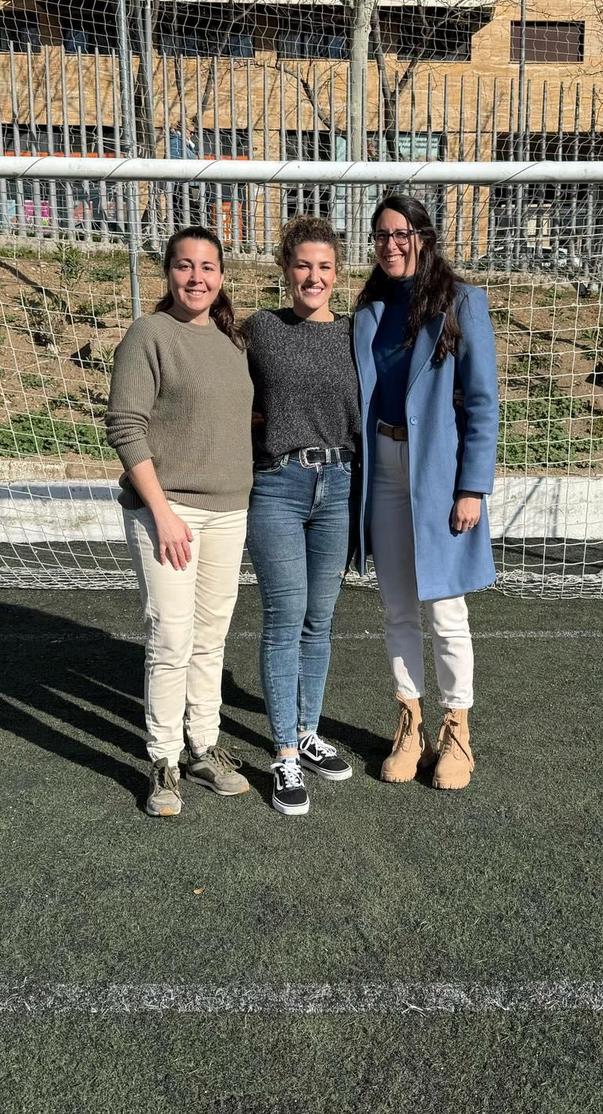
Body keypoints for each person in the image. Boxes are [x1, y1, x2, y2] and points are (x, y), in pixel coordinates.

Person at [350, 194, 500, 791]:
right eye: (381, 234)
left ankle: (456, 729)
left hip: (437, 473)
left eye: (401, 233)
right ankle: (408, 725)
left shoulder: (463, 302)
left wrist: (472, 487)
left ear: (423, 236)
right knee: (397, 607)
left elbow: (484, 405)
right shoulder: (366, 307)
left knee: (444, 607)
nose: (390, 244)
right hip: (382, 467)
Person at [106, 226, 253, 817]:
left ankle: (205, 747)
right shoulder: (149, 334)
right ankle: (163, 757)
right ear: (168, 272)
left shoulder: (232, 341)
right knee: (170, 636)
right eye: (186, 266)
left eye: (208, 267)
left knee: (210, 638)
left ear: (222, 276)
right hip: (167, 513)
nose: (197, 278)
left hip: (229, 512)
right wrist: (162, 511)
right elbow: (125, 425)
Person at [245, 216, 360, 816]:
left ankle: (310, 732)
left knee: (320, 620)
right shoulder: (260, 329)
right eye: (302, 265)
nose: (313, 276)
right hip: (279, 488)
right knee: (285, 618)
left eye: (324, 266)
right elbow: (228, 398)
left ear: (338, 274)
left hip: (339, 487)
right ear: (285, 270)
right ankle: (284, 753)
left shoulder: (355, 334)